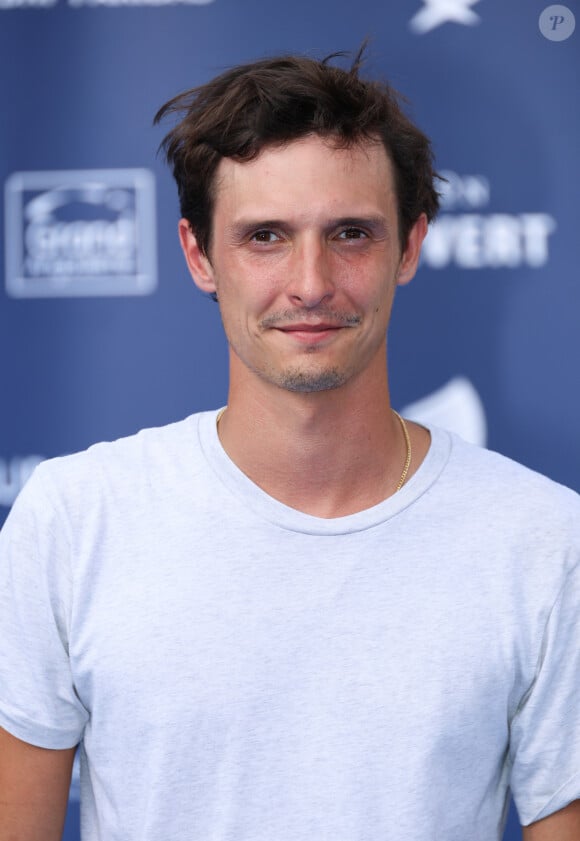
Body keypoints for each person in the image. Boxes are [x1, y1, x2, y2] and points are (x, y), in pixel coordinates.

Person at [1, 49, 579, 841]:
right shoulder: (71, 520)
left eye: (350, 233)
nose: (310, 282)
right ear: (199, 254)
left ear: (409, 247)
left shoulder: (543, 540)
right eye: (265, 236)